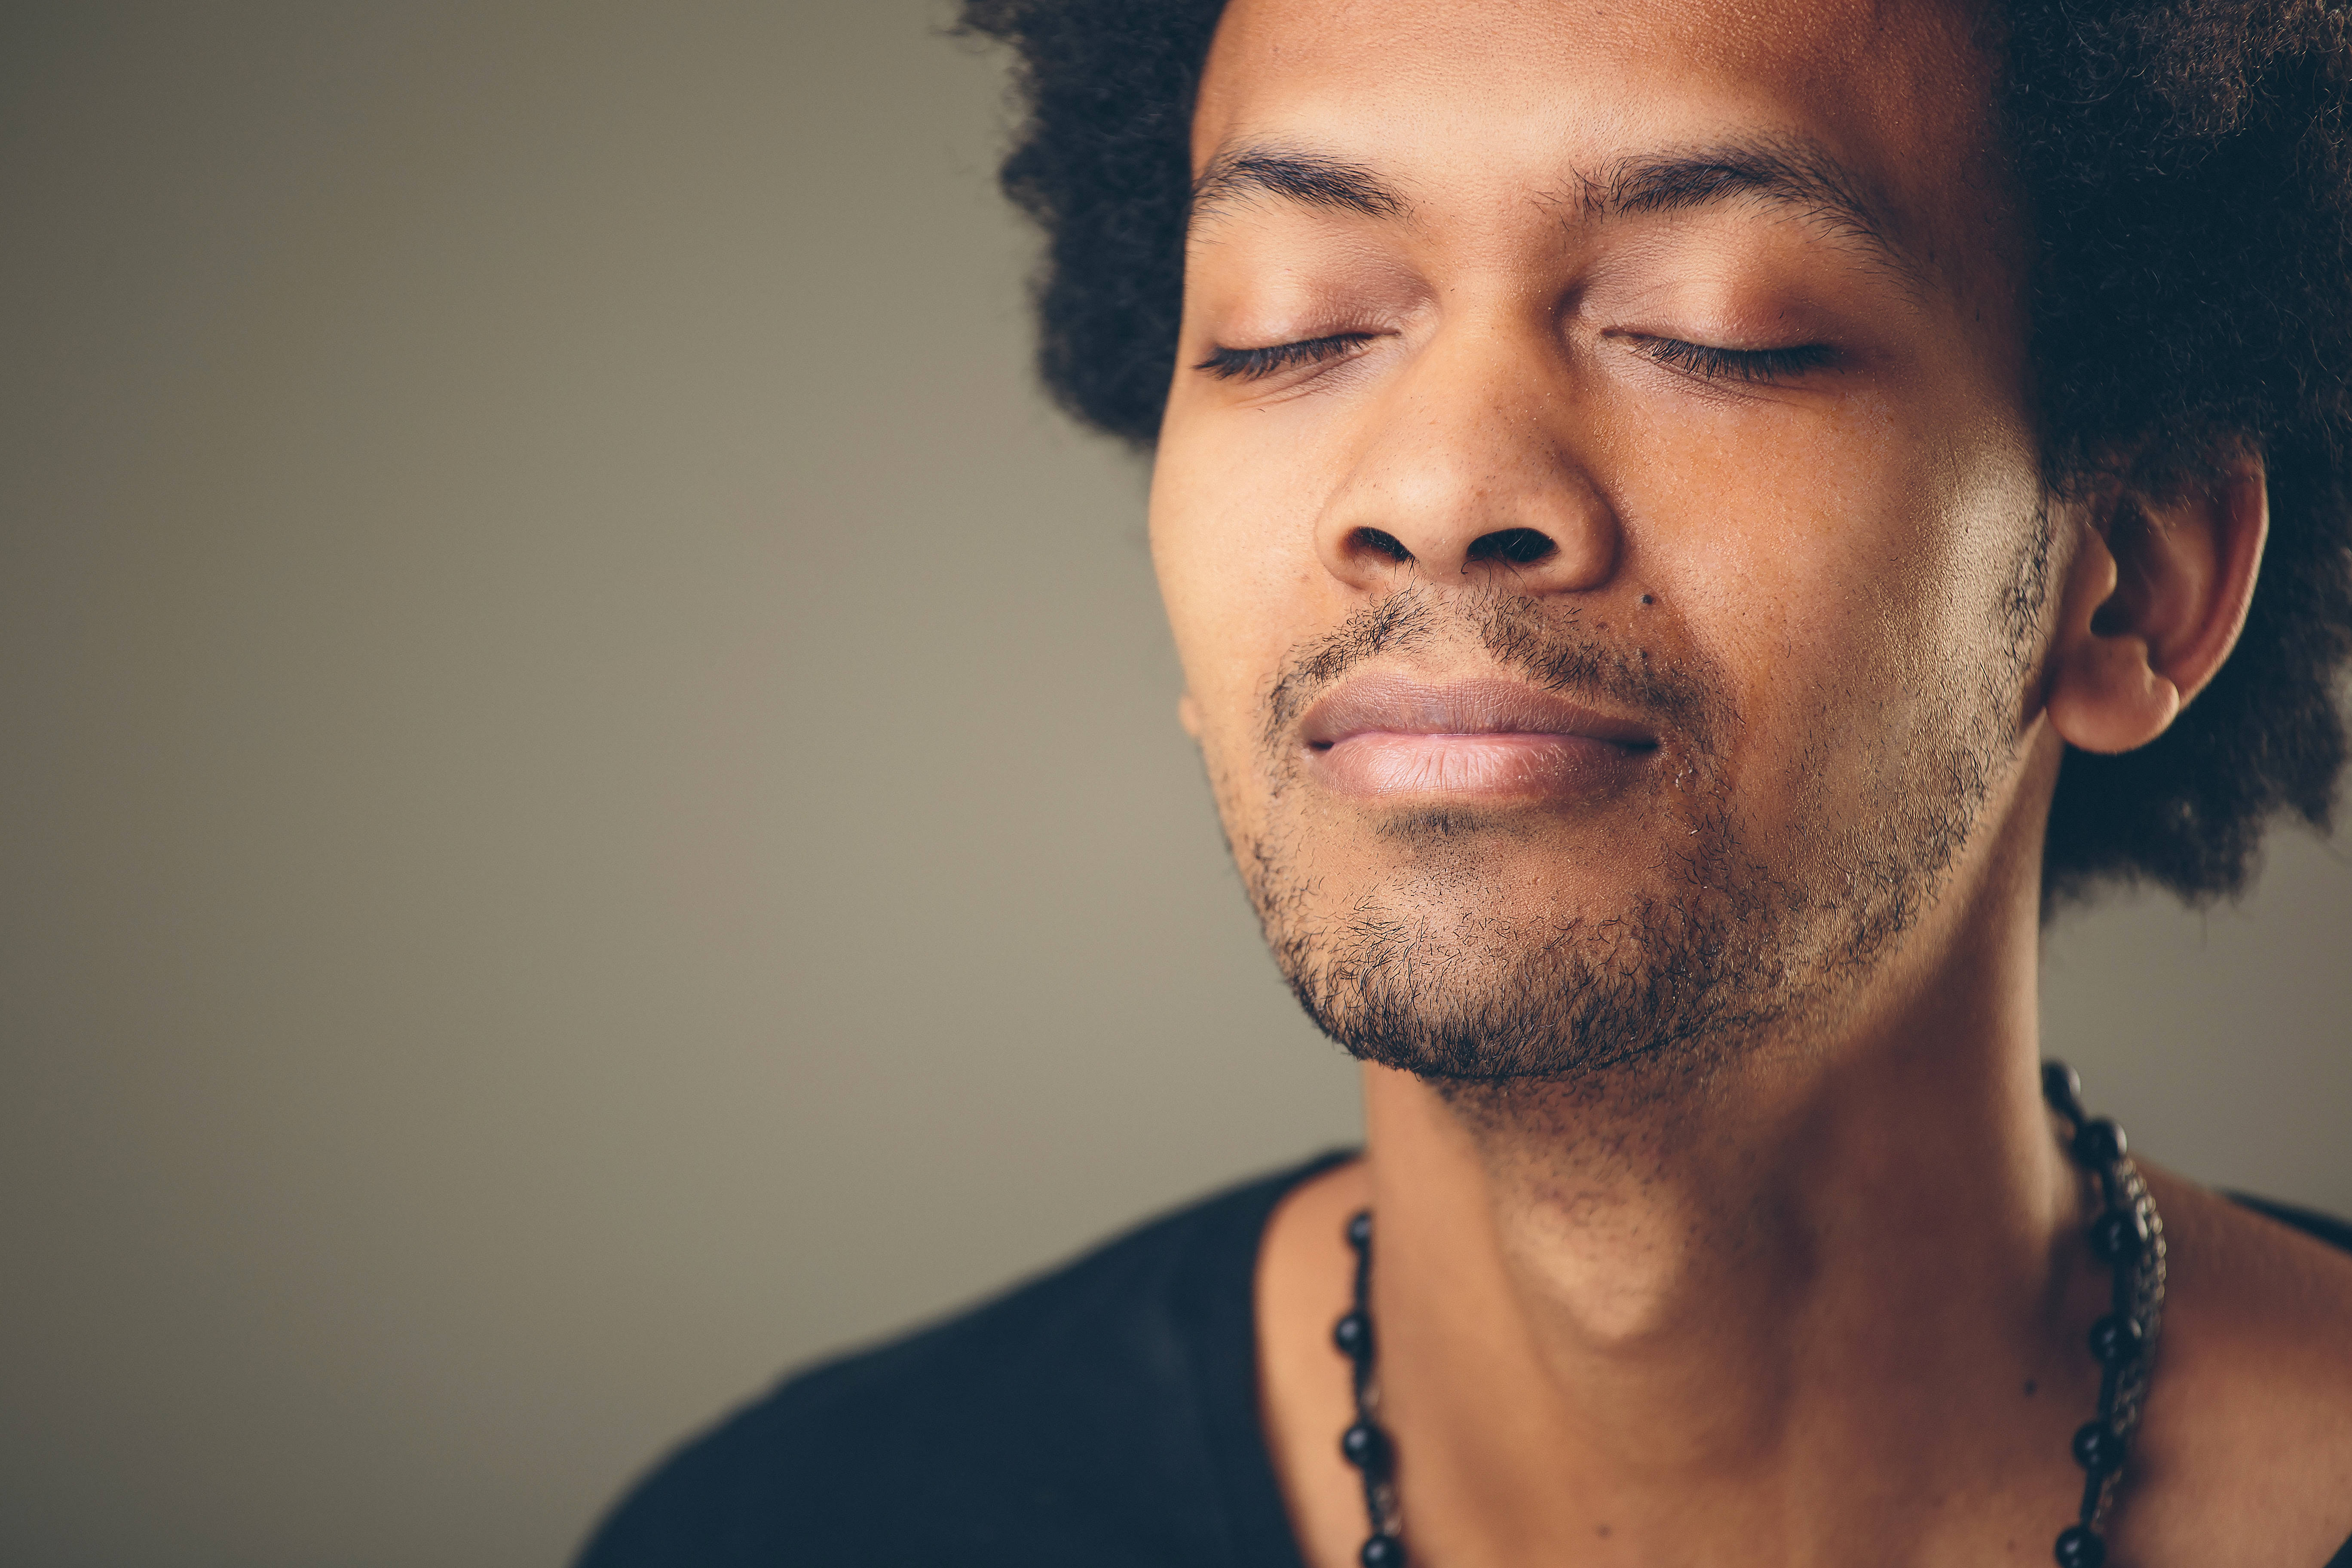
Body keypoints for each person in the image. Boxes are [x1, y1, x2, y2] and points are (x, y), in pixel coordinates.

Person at [576, 0, 2352, 1563]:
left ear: (2131, 576)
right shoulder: (800, 1531)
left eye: (1713, 326)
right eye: (1291, 328)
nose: (1433, 485)